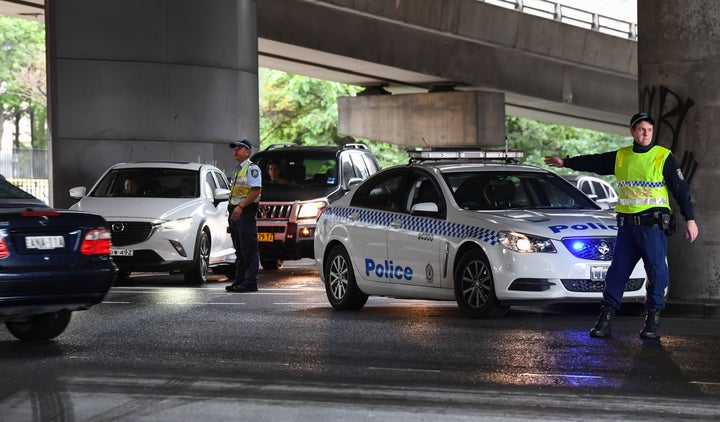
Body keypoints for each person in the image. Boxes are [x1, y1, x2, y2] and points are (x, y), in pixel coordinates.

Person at [544, 112, 699, 339]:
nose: (646, 134)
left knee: (656, 273)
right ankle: (605, 320)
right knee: (617, 273)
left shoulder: (663, 157)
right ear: (632, 132)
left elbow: (681, 190)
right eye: (641, 130)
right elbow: (594, 162)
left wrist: (690, 219)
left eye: (649, 130)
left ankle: (652, 321)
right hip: (627, 228)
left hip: (652, 228)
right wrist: (566, 162)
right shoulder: (621, 157)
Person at [226, 139, 262, 293]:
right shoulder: (238, 169)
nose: (235, 151)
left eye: (239, 149)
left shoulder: (251, 168)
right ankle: (240, 280)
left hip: (245, 211)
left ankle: (250, 282)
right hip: (236, 211)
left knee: (248, 248)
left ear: (247, 152)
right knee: (239, 249)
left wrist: (241, 206)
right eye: (235, 149)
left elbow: (256, 190)